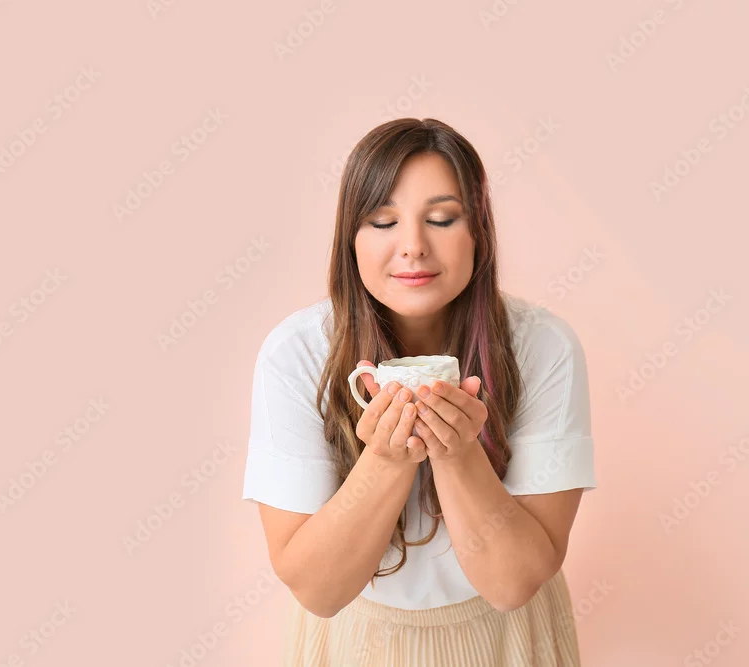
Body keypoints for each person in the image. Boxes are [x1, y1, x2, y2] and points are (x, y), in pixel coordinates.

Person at [241, 118, 597, 666]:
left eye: (441, 219)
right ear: (350, 240)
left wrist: (457, 454)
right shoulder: (297, 353)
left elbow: (513, 585)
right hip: (354, 638)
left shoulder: (543, 346)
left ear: (478, 232)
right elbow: (318, 590)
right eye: (383, 221)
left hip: (509, 636)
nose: (412, 247)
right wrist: (386, 460)